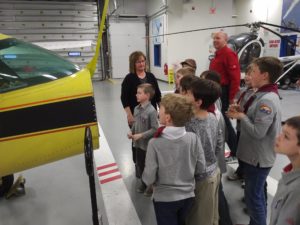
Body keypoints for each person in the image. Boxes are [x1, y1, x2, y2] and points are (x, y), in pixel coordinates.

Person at [226, 56, 283, 225]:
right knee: (257, 193)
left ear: (264, 75)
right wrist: (242, 110)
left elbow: (258, 132)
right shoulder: (262, 93)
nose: (249, 75)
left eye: (254, 72)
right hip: (253, 155)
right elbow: (255, 116)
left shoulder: (267, 100)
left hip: (257, 158)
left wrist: (241, 116)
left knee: (253, 199)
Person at [142, 93, 206, 225]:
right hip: (188, 196)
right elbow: (201, 168)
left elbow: (149, 177)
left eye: (161, 109)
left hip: (164, 199)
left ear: (168, 118)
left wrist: (148, 182)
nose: (158, 112)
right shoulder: (193, 138)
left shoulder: (155, 143)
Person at [184, 78, 222, 225]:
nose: (185, 96)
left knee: (198, 218)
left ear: (198, 102)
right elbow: (219, 144)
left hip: (200, 179)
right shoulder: (212, 117)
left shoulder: (188, 123)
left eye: (188, 94)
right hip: (214, 171)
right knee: (211, 215)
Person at [200, 70, 233, 225]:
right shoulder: (215, 106)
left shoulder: (211, 116)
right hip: (213, 164)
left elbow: (217, 141)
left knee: (217, 193)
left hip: (210, 166)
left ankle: (225, 221)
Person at [121, 51, 161, 174]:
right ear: (133, 63)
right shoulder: (129, 78)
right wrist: (129, 114)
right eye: (138, 61)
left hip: (150, 113)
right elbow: (124, 98)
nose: (141, 64)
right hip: (136, 115)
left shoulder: (151, 76)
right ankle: (138, 164)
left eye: (143, 61)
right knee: (138, 140)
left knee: (151, 137)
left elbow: (158, 95)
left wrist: (161, 110)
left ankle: (151, 163)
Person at [209, 31, 240, 160]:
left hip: (223, 92)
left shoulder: (228, 54)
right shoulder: (217, 54)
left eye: (218, 38)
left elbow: (235, 78)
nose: (215, 40)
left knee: (224, 122)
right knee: (219, 120)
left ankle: (235, 151)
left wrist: (232, 97)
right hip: (216, 91)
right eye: (214, 38)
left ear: (225, 40)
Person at [127, 83, 159, 195]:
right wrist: (132, 132)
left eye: (139, 93)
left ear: (147, 95)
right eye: (137, 92)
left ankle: (150, 185)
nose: (136, 95)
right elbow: (135, 124)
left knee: (148, 166)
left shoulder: (152, 111)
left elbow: (155, 129)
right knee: (140, 164)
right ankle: (144, 182)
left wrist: (141, 135)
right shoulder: (136, 108)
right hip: (138, 144)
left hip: (147, 145)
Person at [228, 64, 257, 181]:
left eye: (251, 74)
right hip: (241, 127)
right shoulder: (243, 92)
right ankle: (241, 171)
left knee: (249, 154)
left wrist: (241, 114)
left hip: (250, 129)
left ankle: (247, 176)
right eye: (247, 74)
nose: (247, 77)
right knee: (240, 150)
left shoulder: (257, 95)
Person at [270, 115, 300, 225]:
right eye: (282, 132)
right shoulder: (291, 173)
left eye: (286, 137)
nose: (278, 137)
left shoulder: (296, 190)